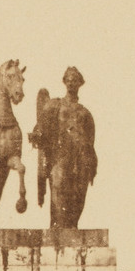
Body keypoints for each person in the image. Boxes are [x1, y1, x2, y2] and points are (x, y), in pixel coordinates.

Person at [34, 65, 100, 230]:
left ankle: (72, 228)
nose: (71, 83)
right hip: (60, 157)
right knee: (59, 190)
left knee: (79, 196)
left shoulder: (85, 113)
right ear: (64, 82)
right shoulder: (55, 105)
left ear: (80, 83)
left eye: (75, 80)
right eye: (69, 79)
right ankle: (58, 228)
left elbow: (90, 141)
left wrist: (91, 162)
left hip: (80, 160)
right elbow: (41, 127)